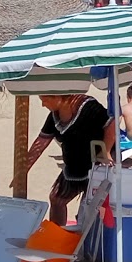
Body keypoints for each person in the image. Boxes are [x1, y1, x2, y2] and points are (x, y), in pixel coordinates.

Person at [16, 94, 115, 224]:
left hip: (97, 167)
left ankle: (85, 239)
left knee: (90, 207)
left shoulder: (88, 107)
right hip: (73, 166)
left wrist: (106, 151)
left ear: (58, 97)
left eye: (45, 100)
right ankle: (58, 234)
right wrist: (22, 171)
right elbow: (40, 143)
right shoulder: (54, 116)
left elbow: (111, 123)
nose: (43, 104)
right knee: (57, 199)